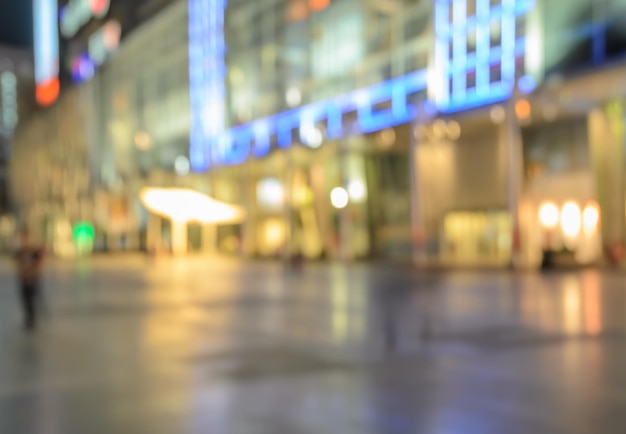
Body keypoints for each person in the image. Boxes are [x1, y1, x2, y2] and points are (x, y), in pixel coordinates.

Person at [14, 229, 45, 331]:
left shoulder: (34, 251)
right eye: (23, 238)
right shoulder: (20, 252)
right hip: (24, 280)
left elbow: (39, 263)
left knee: (31, 301)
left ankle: (32, 320)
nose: (25, 240)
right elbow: (18, 265)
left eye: (26, 238)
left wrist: (32, 271)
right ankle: (29, 319)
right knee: (25, 301)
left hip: (32, 280)